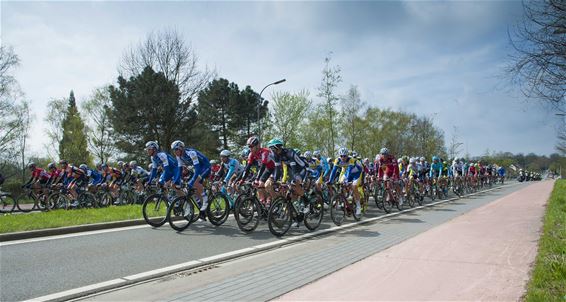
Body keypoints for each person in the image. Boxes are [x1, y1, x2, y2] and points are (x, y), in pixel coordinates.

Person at [171, 140, 211, 220]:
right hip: (196, 169)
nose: (175, 152)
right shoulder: (178, 156)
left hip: (205, 167)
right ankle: (201, 208)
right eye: (173, 150)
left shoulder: (191, 153)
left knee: (194, 182)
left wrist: (192, 181)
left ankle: (205, 198)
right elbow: (179, 170)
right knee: (192, 188)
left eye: (176, 149)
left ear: (181, 149)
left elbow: (197, 168)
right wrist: (176, 181)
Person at [327, 147, 364, 216]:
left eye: (344, 156)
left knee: (354, 186)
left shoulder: (351, 160)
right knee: (341, 184)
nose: (343, 157)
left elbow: (349, 171)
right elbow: (334, 171)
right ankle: (346, 200)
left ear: (347, 155)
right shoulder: (337, 160)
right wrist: (330, 181)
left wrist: (347, 181)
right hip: (346, 172)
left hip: (357, 173)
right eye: (341, 156)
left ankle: (358, 206)